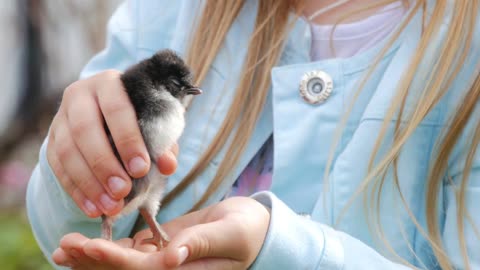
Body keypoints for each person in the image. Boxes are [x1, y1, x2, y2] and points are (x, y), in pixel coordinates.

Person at [26, 0, 480, 269]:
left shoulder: (466, 57)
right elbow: (63, 231)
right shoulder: (169, 11)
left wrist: (282, 253)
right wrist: (78, 167)